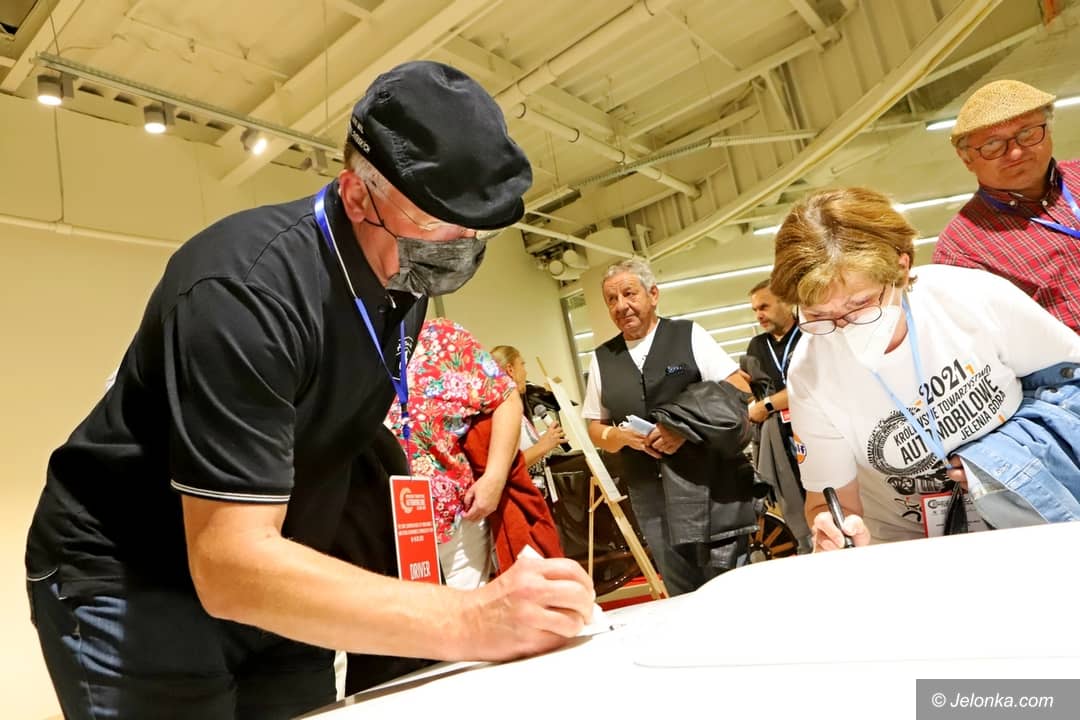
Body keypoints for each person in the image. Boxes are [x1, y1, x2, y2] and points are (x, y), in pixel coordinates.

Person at [24, 61, 594, 720]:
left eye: (475, 228)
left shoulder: (400, 276)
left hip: (282, 561)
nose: (459, 245)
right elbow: (229, 563)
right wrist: (472, 617)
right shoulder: (244, 293)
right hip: (137, 572)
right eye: (435, 222)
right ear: (357, 195)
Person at [771, 187, 1080, 553]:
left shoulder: (968, 297)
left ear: (901, 269)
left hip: (1028, 519)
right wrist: (833, 531)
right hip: (909, 546)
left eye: (861, 304)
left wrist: (1003, 454)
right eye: (819, 315)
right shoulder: (811, 371)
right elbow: (831, 500)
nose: (843, 326)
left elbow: (1070, 381)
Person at [583, 257, 759, 596]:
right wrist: (618, 436)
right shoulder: (603, 358)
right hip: (649, 493)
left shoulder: (688, 335)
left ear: (653, 294)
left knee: (728, 587)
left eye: (629, 294)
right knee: (679, 590)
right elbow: (595, 426)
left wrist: (682, 427)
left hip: (707, 486)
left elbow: (738, 387)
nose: (621, 305)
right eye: (612, 299)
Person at [933, 79, 1080, 332]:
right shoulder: (959, 250)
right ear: (966, 158)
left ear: (1048, 129)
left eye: (1027, 133)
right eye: (992, 145)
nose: (1015, 153)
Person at [385, 318, 520, 590]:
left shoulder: (440, 336)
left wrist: (495, 477)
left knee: (468, 612)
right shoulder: (336, 342)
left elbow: (506, 396)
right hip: (373, 532)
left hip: (455, 527)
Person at [742, 278, 809, 549]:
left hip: (816, 432)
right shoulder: (756, 347)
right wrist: (753, 404)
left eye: (764, 307)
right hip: (780, 441)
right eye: (755, 310)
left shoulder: (810, 334)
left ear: (786, 302)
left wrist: (768, 404)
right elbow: (748, 392)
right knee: (794, 504)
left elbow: (814, 387)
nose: (759, 315)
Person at [490, 345, 567, 495]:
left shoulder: (514, 410)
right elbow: (507, 466)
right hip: (521, 499)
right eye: (522, 364)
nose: (526, 371)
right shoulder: (502, 413)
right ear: (510, 370)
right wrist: (544, 445)